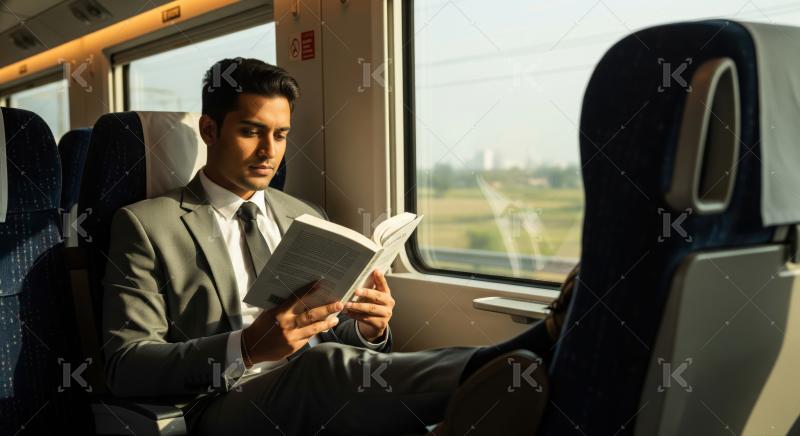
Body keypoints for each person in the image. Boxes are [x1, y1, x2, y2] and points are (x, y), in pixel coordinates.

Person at [102, 57, 578, 435]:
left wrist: (370, 329)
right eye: (251, 132)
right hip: (218, 404)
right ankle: (507, 360)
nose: (270, 151)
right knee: (321, 367)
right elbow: (124, 365)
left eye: (281, 134)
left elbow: (333, 337)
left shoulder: (304, 216)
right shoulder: (147, 225)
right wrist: (245, 348)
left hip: (317, 385)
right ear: (210, 131)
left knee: (347, 367)